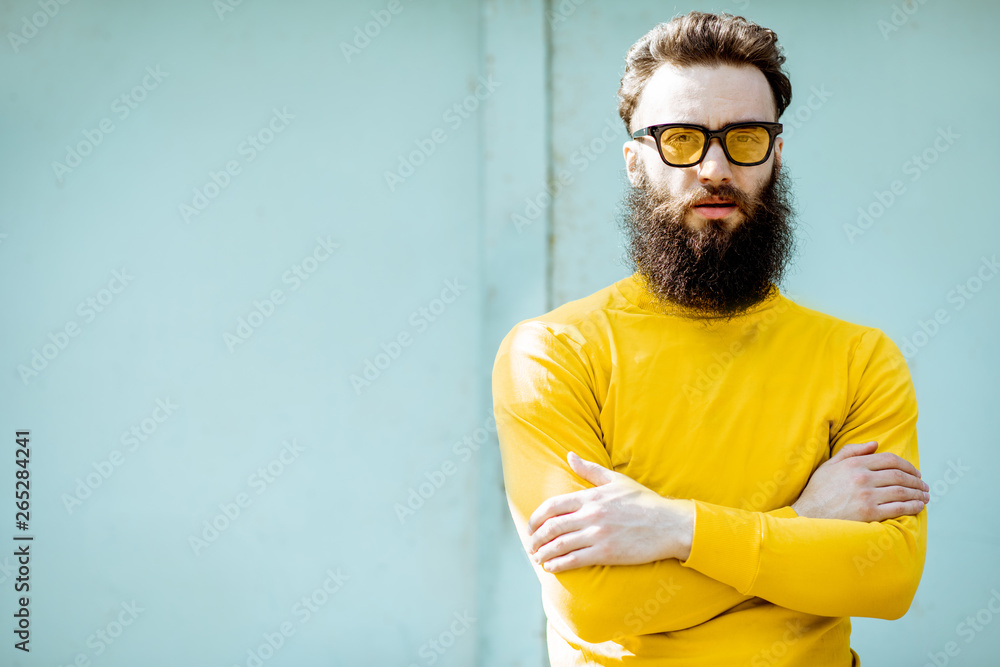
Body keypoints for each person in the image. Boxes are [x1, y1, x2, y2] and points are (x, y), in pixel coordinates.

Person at [491, 11, 928, 666]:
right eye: (681, 138)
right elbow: (596, 601)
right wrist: (805, 524)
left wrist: (670, 528)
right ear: (635, 161)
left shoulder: (861, 359)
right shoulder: (552, 352)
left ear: (776, 155)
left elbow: (888, 579)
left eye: (744, 138)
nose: (715, 167)